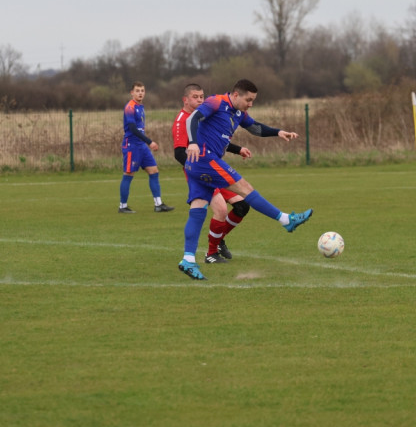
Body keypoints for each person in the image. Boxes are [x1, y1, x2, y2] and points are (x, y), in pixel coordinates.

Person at [178, 79, 313, 280]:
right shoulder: (217, 102)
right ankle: (286, 220)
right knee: (244, 188)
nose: (250, 103)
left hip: (198, 164)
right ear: (235, 95)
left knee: (198, 208)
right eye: (248, 100)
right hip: (204, 158)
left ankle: (188, 260)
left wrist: (278, 132)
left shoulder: (239, 113)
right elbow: (192, 119)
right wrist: (194, 144)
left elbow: (255, 128)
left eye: (253, 100)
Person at [170, 83, 252, 265]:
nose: (200, 100)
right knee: (221, 210)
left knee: (242, 206)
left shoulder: (204, 114)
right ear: (185, 100)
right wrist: (198, 168)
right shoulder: (183, 120)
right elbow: (179, 153)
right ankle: (210, 254)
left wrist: (238, 149)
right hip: (200, 172)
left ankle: (218, 238)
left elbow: (217, 139)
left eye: (201, 96)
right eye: (195, 97)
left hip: (213, 167)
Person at [119, 81, 175, 214]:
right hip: (132, 145)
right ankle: (122, 206)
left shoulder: (141, 107)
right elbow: (132, 128)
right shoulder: (130, 107)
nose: (140, 93)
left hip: (141, 146)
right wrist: (149, 142)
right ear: (132, 92)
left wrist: (145, 143)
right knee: (128, 174)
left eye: (142, 90)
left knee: (154, 171)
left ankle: (158, 204)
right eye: (137, 90)